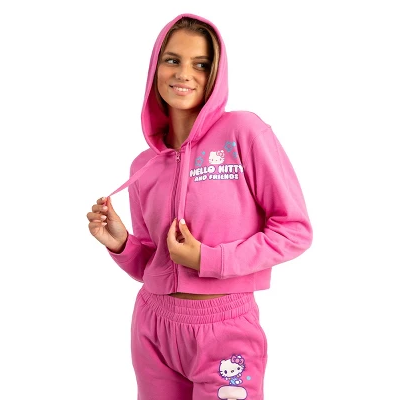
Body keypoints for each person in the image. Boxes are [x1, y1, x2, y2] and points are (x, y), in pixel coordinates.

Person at [86, 13, 313, 399]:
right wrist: (121, 244)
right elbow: (154, 266)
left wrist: (210, 259)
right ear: (155, 67)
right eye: (172, 59)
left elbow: (295, 230)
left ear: (216, 74)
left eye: (201, 64)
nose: (184, 73)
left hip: (225, 328)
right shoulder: (144, 165)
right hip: (153, 326)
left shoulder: (243, 133)